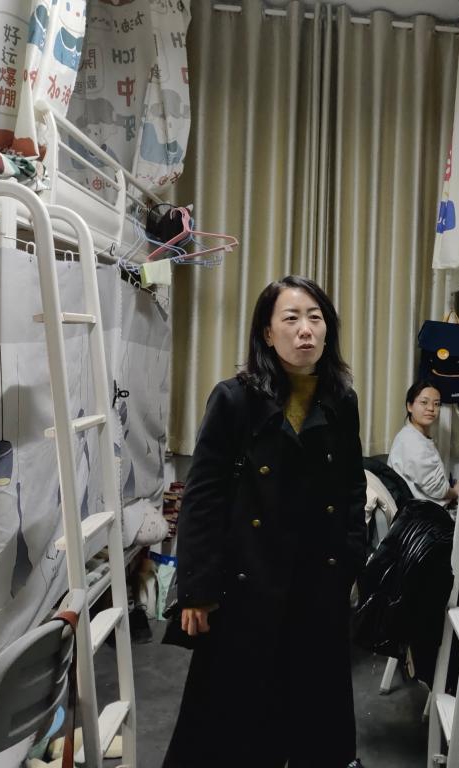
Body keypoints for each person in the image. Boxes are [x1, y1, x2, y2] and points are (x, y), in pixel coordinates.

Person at [163, 276, 367, 768]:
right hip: (246, 583)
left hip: (317, 583)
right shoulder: (234, 400)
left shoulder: (342, 399)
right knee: (234, 722)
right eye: (291, 319)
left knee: (313, 718)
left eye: (315, 318)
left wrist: (351, 557)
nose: (305, 330)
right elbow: (203, 497)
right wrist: (196, 589)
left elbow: (352, 486)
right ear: (268, 333)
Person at [388, 381, 459, 505]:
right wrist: (456, 491)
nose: (431, 408)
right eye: (424, 402)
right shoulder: (412, 441)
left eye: (436, 404)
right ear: (409, 406)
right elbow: (438, 489)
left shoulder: (416, 436)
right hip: (421, 512)